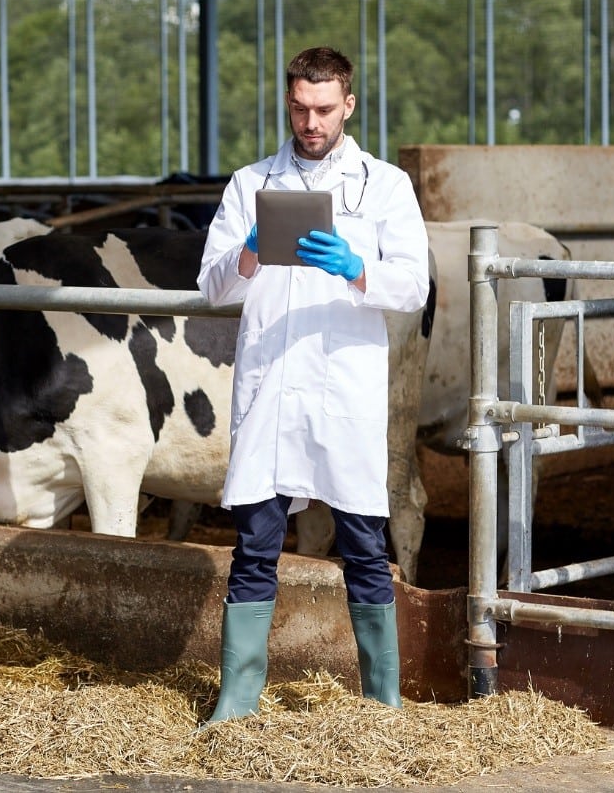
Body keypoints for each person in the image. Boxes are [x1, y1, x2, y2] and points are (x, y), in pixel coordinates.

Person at [196, 46, 429, 721]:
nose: (310, 122)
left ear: (348, 105)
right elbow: (211, 287)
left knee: (362, 545)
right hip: (271, 392)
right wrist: (245, 250)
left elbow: (413, 286)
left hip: (343, 395)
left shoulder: (383, 185)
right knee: (254, 547)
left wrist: (357, 267)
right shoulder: (249, 183)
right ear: (287, 103)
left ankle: (380, 703)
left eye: (323, 109)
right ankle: (235, 703)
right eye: (299, 107)